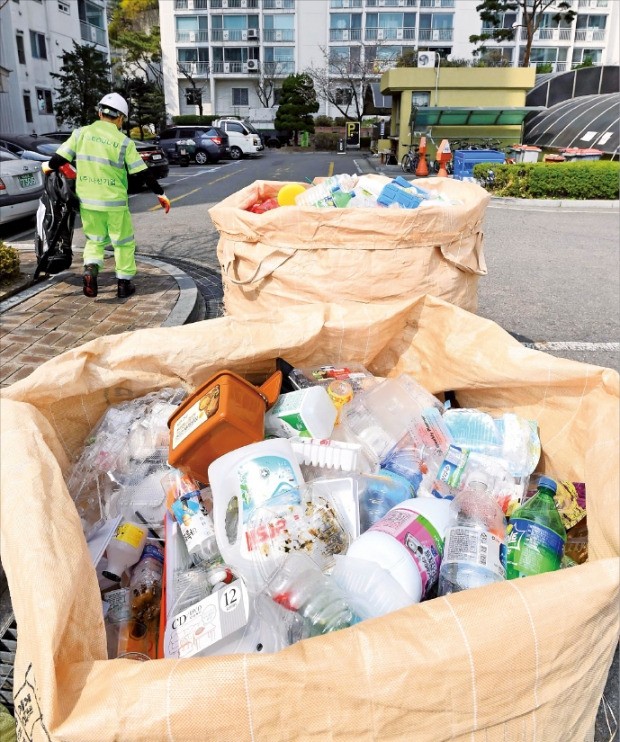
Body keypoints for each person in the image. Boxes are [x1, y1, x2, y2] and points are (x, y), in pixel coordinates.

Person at [45, 92, 171, 299]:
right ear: (120, 118)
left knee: (94, 241)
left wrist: (49, 169)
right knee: (123, 242)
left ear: (99, 112)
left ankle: (90, 270)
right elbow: (142, 172)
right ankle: (123, 284)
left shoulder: (81, 133)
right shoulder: (124, 142)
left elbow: (56, 160)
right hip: (114, 203)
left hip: (88, 202)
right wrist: (160, 193)